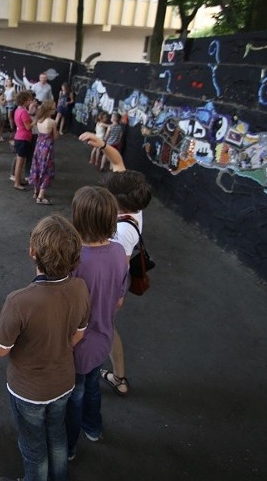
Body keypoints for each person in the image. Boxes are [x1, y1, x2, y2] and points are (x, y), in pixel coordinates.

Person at [0, 215, 89, 481]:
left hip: (28, 392)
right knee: (57, 434)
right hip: (63, 383)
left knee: (33, 447)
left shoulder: (19, 301)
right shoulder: (80, 287)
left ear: (32, 252)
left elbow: (0, 349)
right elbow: (78, 335)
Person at [79, 133, 152, 397]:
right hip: (111, 279)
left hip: (108, 282)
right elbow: (118, 162)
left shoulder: (121, 233)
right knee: (107, 326)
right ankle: (119, 377)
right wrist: (104, 146)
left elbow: (115, 266)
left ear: (117, 202)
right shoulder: (132, 203)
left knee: (101, 325)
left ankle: (95, 370)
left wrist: (113, 298)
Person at [66, 186, 128, 460]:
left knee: (73, 398)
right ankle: (93, 428)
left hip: (76, 346)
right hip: (103, 339)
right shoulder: (118, 253)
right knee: (92, 388)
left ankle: (68, 448)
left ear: (78, 218)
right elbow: (118, 302)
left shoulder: (73, 258)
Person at [29, 100, 58, 205]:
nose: (55, 110)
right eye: (54, 108)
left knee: (37, 167)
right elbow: (55, 136)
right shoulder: (52, 122)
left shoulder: (39, 120)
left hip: (38, 146)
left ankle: (35, 191)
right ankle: (41, 196)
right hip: (47, 149)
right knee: (46, 170)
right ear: (49, 110)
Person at [12, 91, 35, 190]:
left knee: (19, 161)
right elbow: (28, 127)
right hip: (23, 138)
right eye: (29, 100)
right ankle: (17, 183)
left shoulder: (18, 110)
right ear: (24, 101)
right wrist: (36, 120)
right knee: (20, 162)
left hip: (19, 137)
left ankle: (18, 180)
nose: (30, 101)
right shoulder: (24, 112)